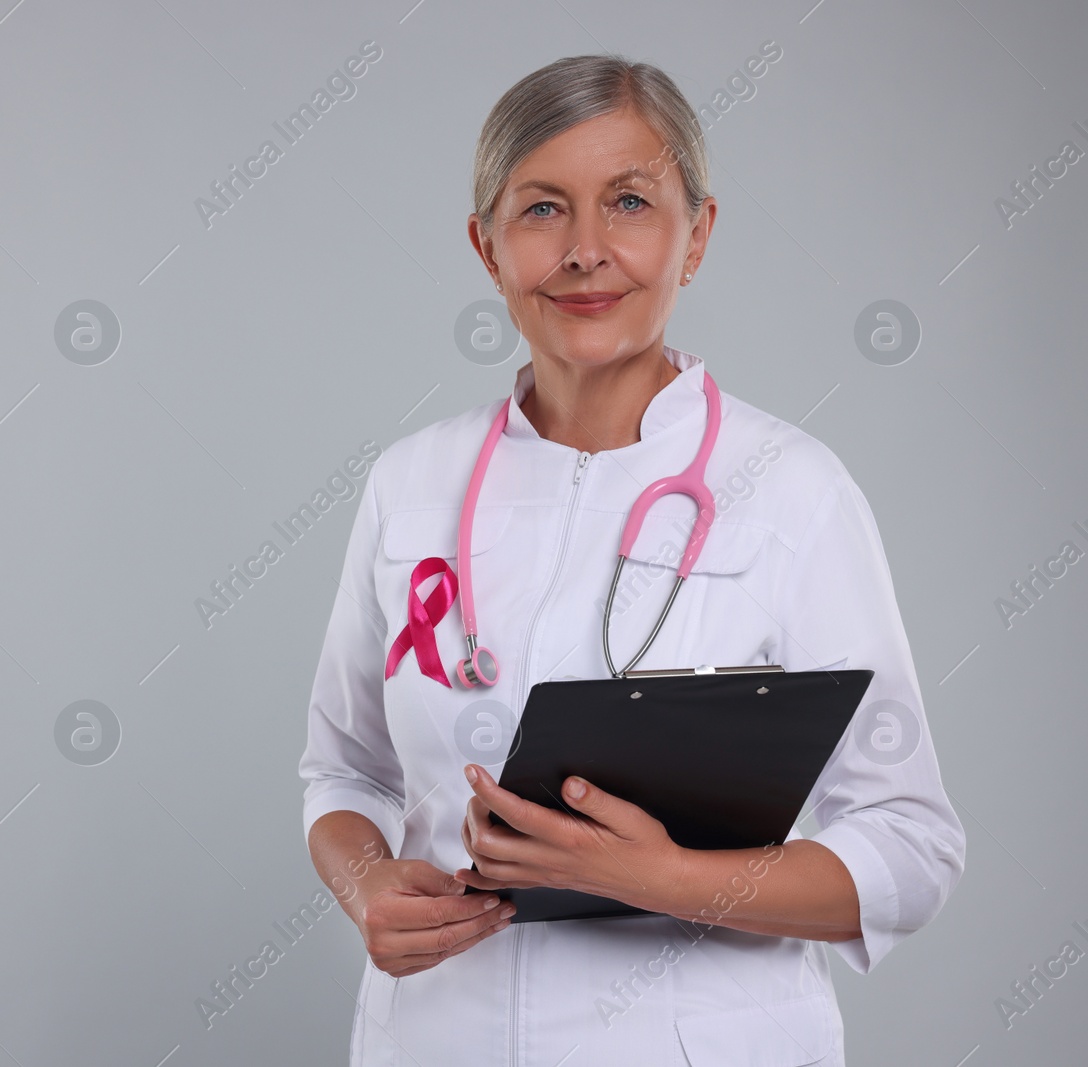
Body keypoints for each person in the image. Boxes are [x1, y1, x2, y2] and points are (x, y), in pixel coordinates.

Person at [298, 54, 965, 1065]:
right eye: (540, 210)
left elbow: (911, 845)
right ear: (486, 247)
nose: (585, 250)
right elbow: (343, 769)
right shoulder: (408, 484)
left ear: (694, 236)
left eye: (628, 201)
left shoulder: (793, 490)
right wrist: (363, 885)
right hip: (438, 1036)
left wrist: (666, 877)